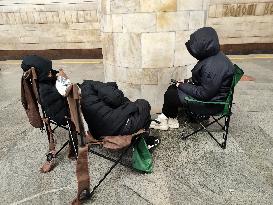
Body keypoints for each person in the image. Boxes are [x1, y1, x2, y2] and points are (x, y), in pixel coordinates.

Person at [150, 27, 235, 130]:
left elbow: (203, 94)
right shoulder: (215, 57)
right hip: (212, 96)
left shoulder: (214, 66)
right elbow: (205, 81)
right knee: (172, 88)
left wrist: (181, 85)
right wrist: (186, 81)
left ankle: (164, 121)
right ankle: (171, 118)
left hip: (211, 104)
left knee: (171, 94)